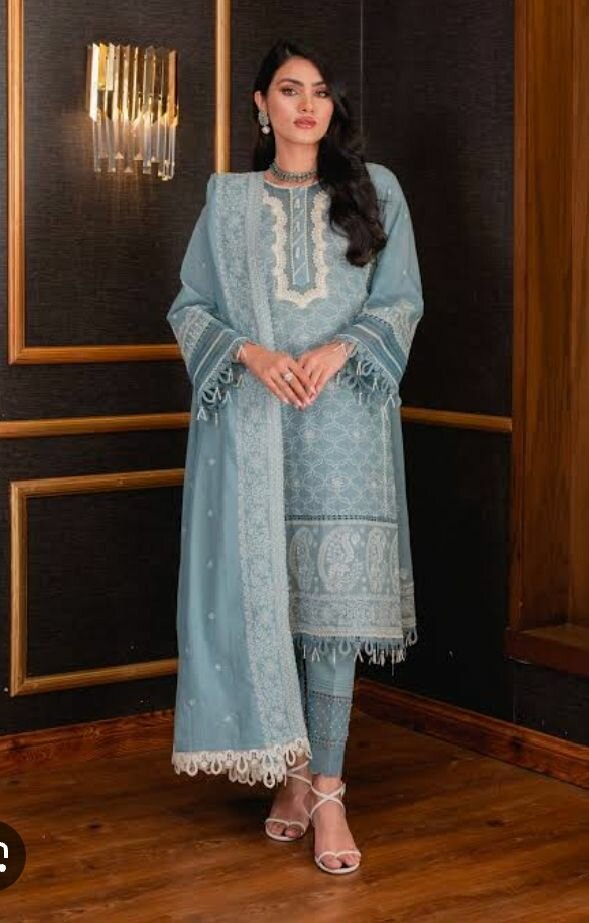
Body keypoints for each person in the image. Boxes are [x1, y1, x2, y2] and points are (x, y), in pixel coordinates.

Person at [167, 38, 424, 876]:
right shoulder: (230, 203)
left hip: (346, 426)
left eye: (319, 91)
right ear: (260, 105)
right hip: (258, 425)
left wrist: (339, 348)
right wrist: (251, 355)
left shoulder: (375, 189)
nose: (308, 105)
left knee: (334, 611)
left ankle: (329, 790)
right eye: (289, 90)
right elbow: (190, 307)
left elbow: (401, 301)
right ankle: (290, 773)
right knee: (271, 601)